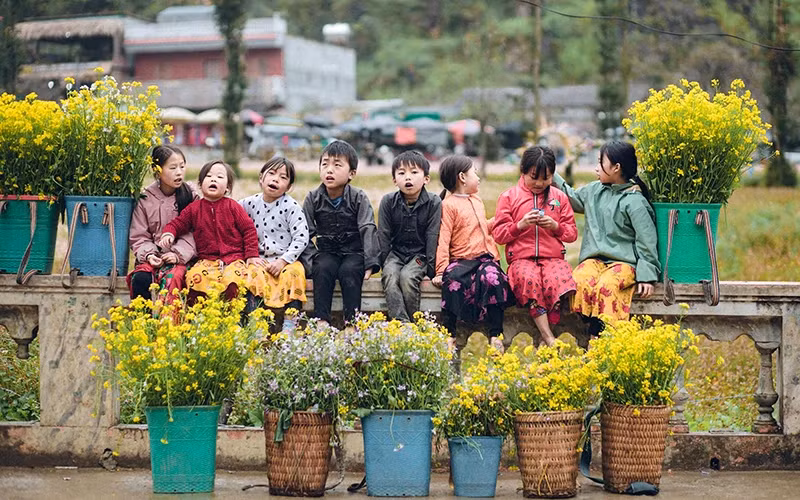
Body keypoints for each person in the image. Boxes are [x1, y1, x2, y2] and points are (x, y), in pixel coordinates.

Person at [552, 140, 660, 334]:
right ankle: (592, 328)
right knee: (579, 279)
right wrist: (551, 174)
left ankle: (603, 338)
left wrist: (647, 277)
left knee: (607, 286)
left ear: (616, 168)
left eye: (601, 162)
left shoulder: (635, 203)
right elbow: (573, 199)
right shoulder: (595, 190)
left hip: (625, 264)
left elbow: (647, 242)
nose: (596, 168)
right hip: (595, 261)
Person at [492, 146, 578, 347]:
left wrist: (555, 226)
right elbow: (499, 235)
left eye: (546, 178)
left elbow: (572, 233)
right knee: (528, 280)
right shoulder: (509, 197)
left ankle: (546, 335)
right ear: (523, 171)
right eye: (534, 177)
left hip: (553, 258)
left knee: (557, 281)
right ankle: (547, 335)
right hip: (521, 259)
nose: (540, 183)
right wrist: (520, 225)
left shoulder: (559, 197)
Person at [432, 155, 514, 352]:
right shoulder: (448, 205)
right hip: (461, 259)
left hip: (484, 258)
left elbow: (481, 228)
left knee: (492, 278)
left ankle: (496, 334)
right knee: (452, 281)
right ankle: (449, 334)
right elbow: (443, 238)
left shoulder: (476, 200)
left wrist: (499, 220)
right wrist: (441, 270)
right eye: (474, 172)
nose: (478, 177)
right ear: (462, 177)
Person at [300, 140, 381, 324]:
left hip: (354, 251)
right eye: (325, 164)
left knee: (349, 271)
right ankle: (321, 321)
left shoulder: (358, 197)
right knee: (322, 268)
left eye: (337, 165)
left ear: (351, 173)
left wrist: (370, 263)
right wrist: (311, 259)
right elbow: (305, 233)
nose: (329, 170)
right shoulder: (313, 198)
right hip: (327, 251)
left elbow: (367, 227)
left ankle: (352, 323)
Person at [159, 160, 260, 303]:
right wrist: (169, 232)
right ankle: (200, 315)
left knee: (234, 279)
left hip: (234, 259)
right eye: (209, 176)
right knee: (195, 277)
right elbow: (178, 223)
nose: (214, 179)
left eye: (219, 177)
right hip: (207, 260)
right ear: (200, 184)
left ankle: (229, 313)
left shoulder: (233, 206)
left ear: (227, 188)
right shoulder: (194, 209)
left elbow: (248, 229)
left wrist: (251, 255)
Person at [240, 157, 309, 331]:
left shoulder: (291, 207)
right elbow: (232, 225)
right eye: (271, 173)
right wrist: (249, 256)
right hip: (258, 258)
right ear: (261, 178)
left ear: (289, 186)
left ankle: (290, 324)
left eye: (283, 177)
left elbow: (301, 237)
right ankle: (256, 324)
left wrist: (283, 261)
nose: (275, 179)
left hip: (285, 259)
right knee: (252, 276)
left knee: (295, 275)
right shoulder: (247, 204)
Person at [377, 151, 442, 322]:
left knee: (407, 277)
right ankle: (401, 324)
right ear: (394, 180)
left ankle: (413, 322)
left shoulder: (434, 203)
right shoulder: (388, 201)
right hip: (396, 254)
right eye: (401, 173)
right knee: (390, 276)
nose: (408, 178)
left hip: (419, 256)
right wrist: (385, 262)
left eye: (414, 172)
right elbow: (383, 234)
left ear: (426, 178)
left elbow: (432, 236)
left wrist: (431, 269)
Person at [127, 145, 198, 300]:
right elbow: (139, 235)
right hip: (154, 259)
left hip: (184, 259)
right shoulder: (146, 198)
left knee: (175, 278)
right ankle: (143, 322)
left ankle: (171, 322)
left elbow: (195, 233)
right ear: (157, 170)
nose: (179, 172)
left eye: (182, 166)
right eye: (173, 168)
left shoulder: (191, 196)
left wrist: (177, 255)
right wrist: (149, 255)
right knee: (140, 278)